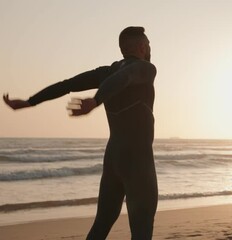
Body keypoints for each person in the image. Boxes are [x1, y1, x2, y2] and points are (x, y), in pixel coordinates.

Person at [3, 26, 158, 240]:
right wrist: (96, 100)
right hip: (138, 160)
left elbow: (68, 85)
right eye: (148, 43)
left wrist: (30, 102)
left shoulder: (107, 72)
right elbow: (127, 76)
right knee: (141, 229)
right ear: (142, 46)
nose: (150, 47)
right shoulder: (146, 68)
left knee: (101, 226)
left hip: (114, 159)